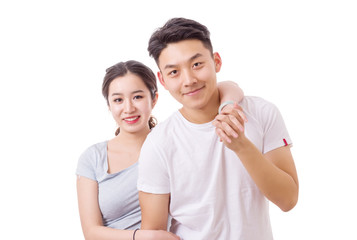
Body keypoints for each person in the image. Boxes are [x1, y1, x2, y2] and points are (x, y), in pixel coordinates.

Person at [137, 18, 299, 240]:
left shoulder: (262, 112)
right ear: (162, 80)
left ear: (216, 62)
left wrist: (242, 146)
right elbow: (154, 233)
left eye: (197, 64)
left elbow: (288, 199)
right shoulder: (158, 144)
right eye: (174, 72)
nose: (189, 80)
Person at [76, 60, 245, 240]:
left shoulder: (170, 141)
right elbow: (91, 232)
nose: (129, 108)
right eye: (118, 100)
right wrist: (143, 237)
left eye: (138, 97)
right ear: (109, 106)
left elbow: (229, 86)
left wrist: (227, 106)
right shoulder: (94, 157)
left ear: (154, 99)